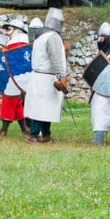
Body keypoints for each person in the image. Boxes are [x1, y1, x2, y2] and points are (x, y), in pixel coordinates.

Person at [25, 8, 68, 143]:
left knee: (46, 107)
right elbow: (55, 58)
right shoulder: (52, 37)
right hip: (46, 78)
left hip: (39, 76)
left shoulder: (40, 36)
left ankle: (46, 135)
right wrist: (62, 75)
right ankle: (33, 135)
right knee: (41, 109)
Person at [0, 17, 30, 137]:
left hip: (17, 77)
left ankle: (4, 130)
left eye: (9, 29)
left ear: (18, 30)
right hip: (17, 78)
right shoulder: (19, 43)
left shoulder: (18, 44)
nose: (6, 33)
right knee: (16, 103)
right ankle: (24, 129)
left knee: (8, 100)